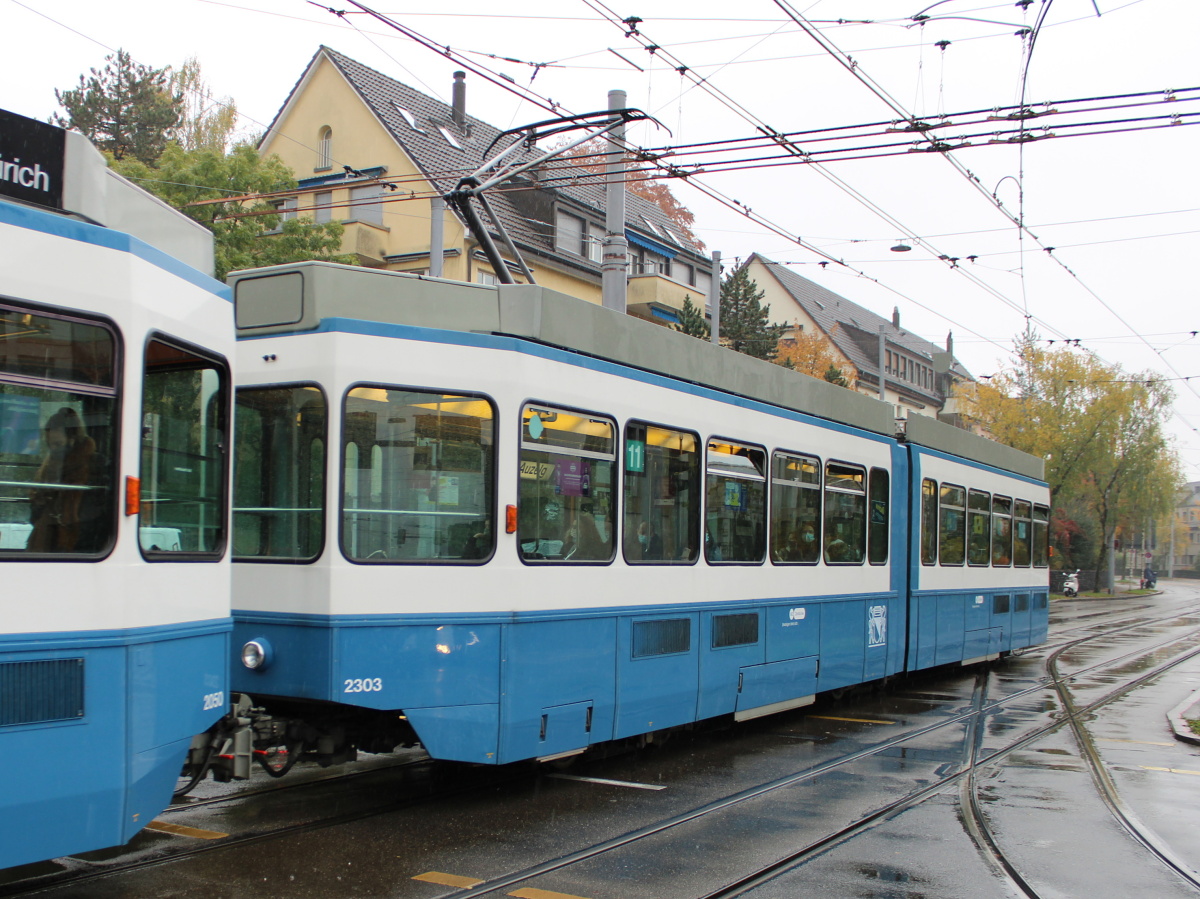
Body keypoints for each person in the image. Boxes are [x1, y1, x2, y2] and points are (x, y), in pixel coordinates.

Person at [27, 408, 103, 553]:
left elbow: (92, 516)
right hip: (49, 539)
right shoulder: (48, 467)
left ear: (72, 439)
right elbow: (34, 516)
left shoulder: (94, 465)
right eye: (50, 445)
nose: (54, 450)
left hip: (78, 546)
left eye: (58, 444)